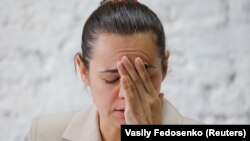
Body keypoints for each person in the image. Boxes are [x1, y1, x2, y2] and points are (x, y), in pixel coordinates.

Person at [26, 0, 201, 141]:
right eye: (111, 79)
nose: (127, 93)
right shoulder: (44, 134)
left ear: (164, 67)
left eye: (142, 77)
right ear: (83, 71)